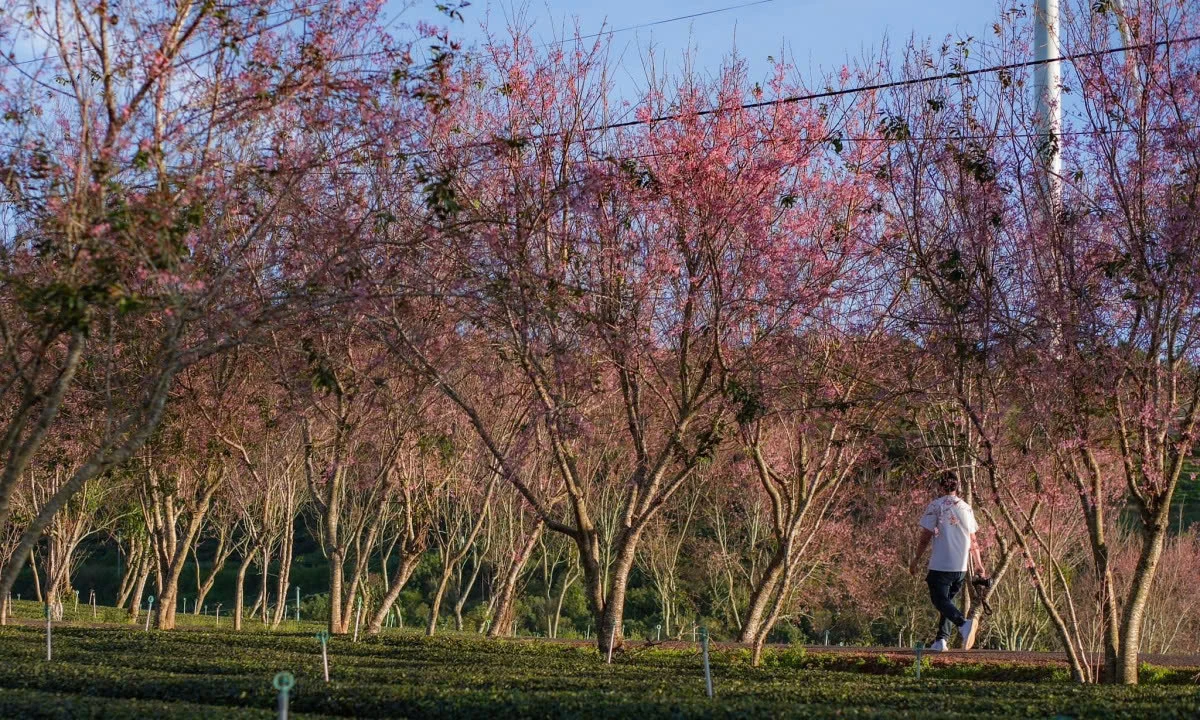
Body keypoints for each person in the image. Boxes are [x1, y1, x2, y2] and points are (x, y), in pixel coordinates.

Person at [908, 471, 987, 651]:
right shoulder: (966, 508)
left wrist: (916, 559)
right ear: (957, 486)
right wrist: (978, 564)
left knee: (939, 599)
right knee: (948, 602)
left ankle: (963, 624)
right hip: (961, 567)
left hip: (941, 564)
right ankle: (941, 640)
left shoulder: (936, 506)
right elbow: (973, 539)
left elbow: (925, 537)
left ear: (941, 486)